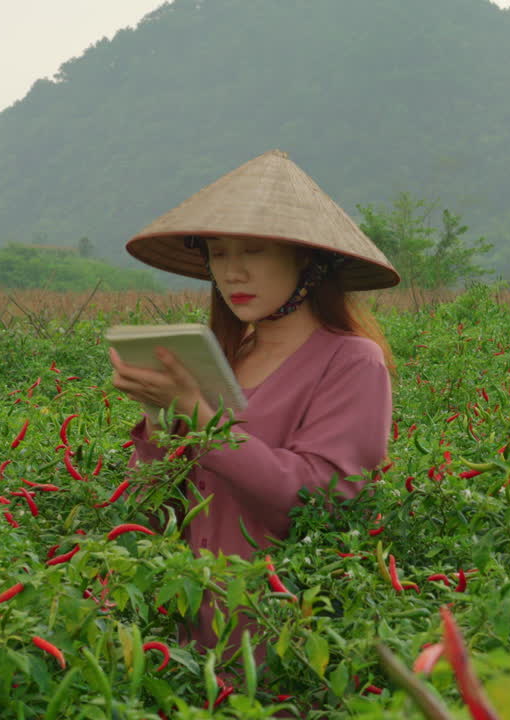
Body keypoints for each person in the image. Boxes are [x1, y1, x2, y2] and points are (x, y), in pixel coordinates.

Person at [110, 149, 401, 653]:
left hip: (280, 635)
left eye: (254, 252)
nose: (233, 273)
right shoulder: (224, 354)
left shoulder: (353, 361)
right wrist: (160, 420)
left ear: (307, 260)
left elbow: (316, 502)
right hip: (187, 629)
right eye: (219, 253)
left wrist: (199, 415)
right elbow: (151, 503)